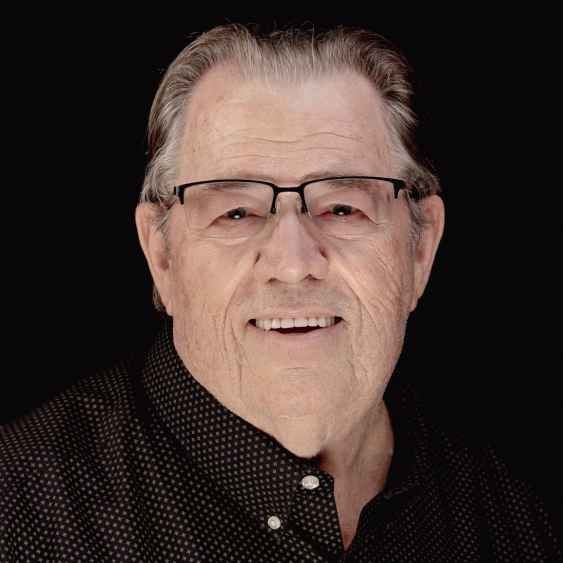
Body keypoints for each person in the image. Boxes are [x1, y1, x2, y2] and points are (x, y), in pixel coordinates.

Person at [1, 22, 560, 562]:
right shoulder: (20, 514)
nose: (293, 265)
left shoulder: (521, 513)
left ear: (420, 248)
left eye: (343, 207)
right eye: (236, 211)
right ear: (162, 255)